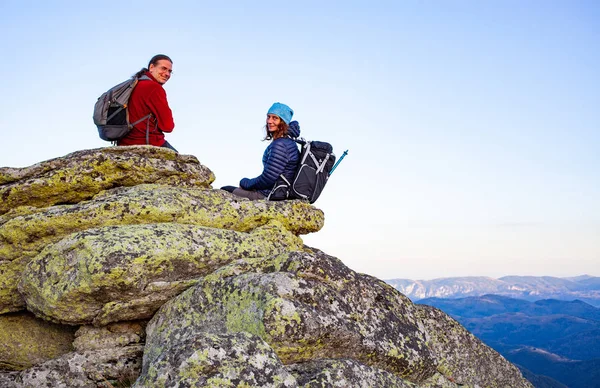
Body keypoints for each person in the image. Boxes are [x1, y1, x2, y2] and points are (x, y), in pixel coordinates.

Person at [222, 102, 300, 200]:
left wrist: (245, 183)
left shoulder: (281, 144)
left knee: (224, 191)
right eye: (268, 117)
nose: (269, 121)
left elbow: (268, 178)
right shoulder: (288, 142)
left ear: (283, 122)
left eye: (275, 118)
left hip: (271, 194)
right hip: (276, 191)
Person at [117, 54, 177, 152]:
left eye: (170, 71)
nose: (167, 74)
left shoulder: (134, 84)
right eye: (163, 68)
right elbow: (168, 126)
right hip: (147, 142)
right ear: (152, 67)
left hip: (123, 142)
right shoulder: (154, 88)